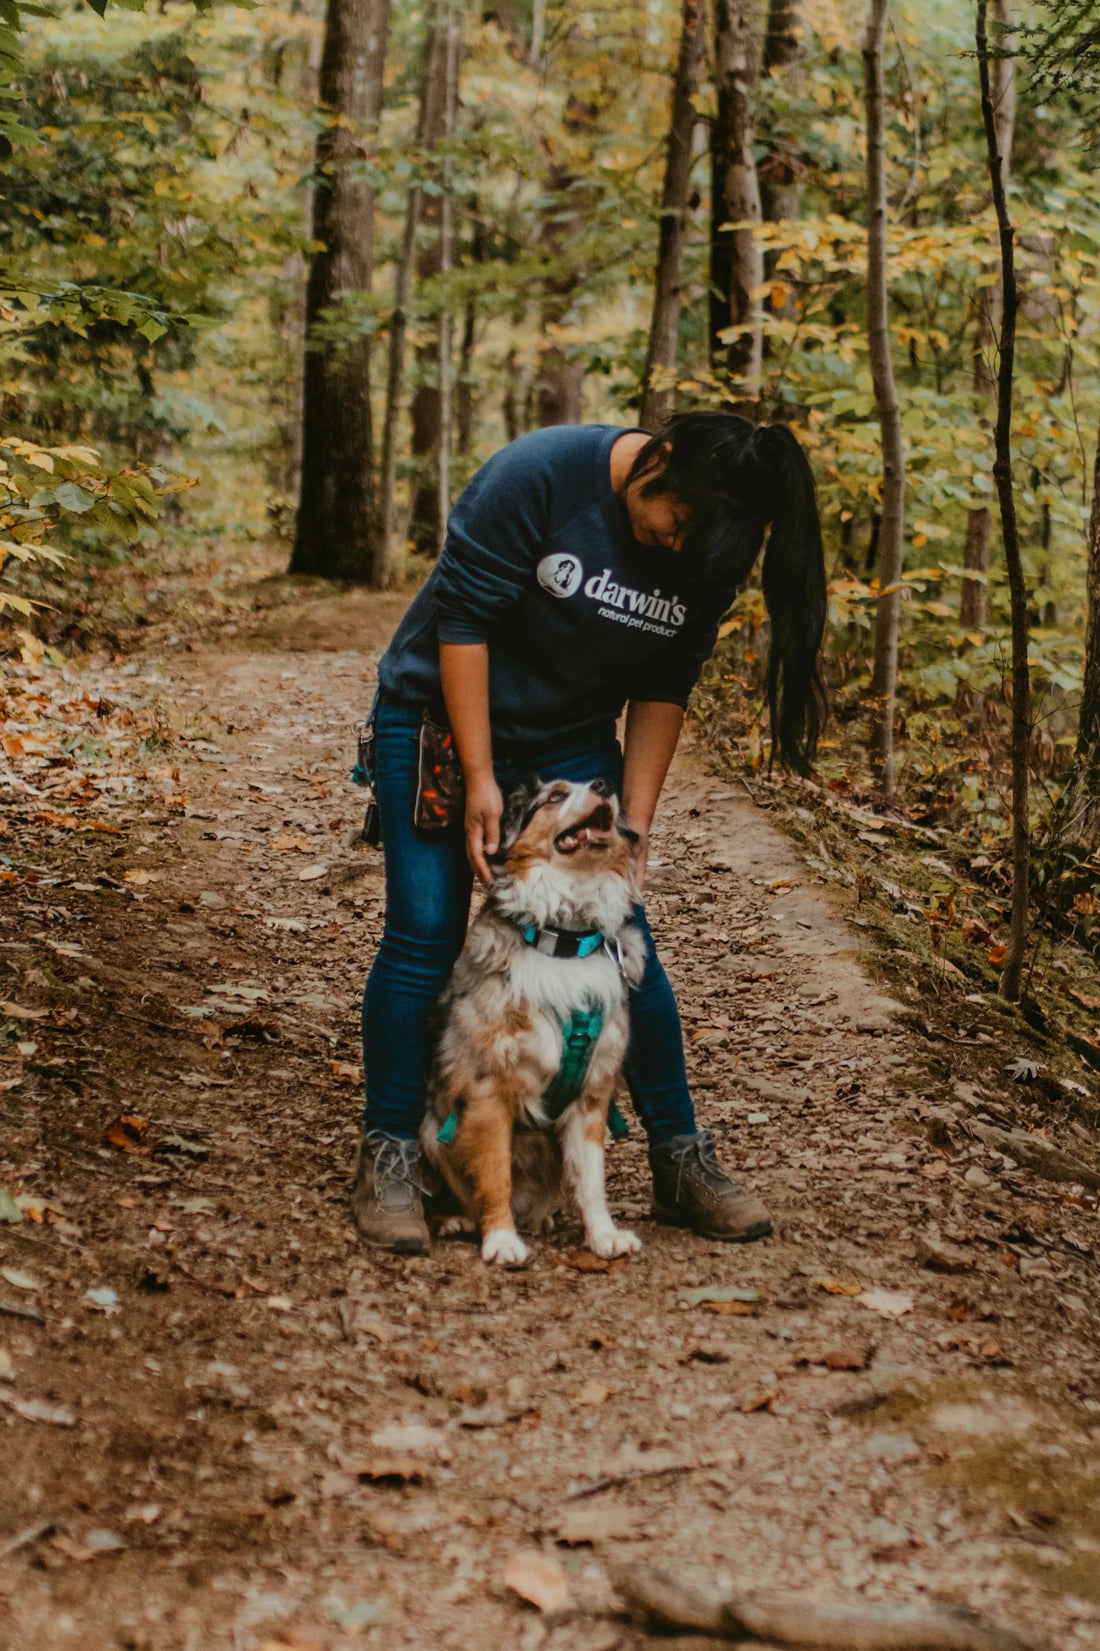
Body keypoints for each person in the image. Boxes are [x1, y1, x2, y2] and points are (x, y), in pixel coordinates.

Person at [352, 411, 827, 1255]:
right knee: (425, 934)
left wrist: (635, 827)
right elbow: (460, 623)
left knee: (618, 942)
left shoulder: (709, 551)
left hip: (571, 738)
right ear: (662, 462)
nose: (677, 549)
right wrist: (482, 777)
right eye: (676, 523)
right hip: (435, 715)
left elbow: (665, 683)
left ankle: (681, 1157)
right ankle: (390, 1150)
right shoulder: (540, 477)